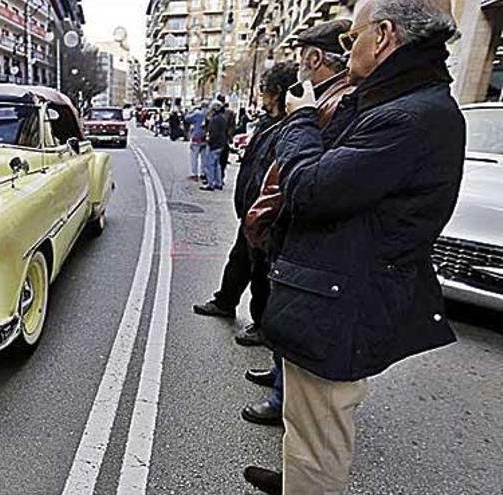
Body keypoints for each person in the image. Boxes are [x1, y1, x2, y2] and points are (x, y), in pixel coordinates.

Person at [244, 1, 463, 493]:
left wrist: (299, 122)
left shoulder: (409, 116)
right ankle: (296, 480)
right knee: (307, 426)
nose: (347, 52)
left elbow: (312, 189)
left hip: (340, 303)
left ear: (383, 35)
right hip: (329, 292)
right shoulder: (393, 101)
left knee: (320, 436)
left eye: (351, 39)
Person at [239, 20, 354, 432]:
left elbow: (306, 179)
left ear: (314, 58)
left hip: (300, 237)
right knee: (281, 314)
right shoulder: (319, 99)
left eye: (301, 55)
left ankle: (282, 400)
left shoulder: (331, 104)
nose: (297, 65)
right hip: (285, 233)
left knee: (292, 319)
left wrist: (301, 117)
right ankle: (278, 379)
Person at [192, 62, 297, 346]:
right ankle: (225, 301)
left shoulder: (289, 128)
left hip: (267, 217)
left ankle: (263, 325)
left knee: (262, 271)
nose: (261, 95)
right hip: (252, 212)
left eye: (264, 90)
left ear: (275, 93)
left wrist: (263, 213)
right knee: (239, 260)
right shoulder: (267, 124)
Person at [200, 100, 228, 191]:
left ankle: (210, 183)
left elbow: (214, 133)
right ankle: (218, 182)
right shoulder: (223, 118)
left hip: (214, 144)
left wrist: (209, 141)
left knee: (210, 164)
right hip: (221, 144)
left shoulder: (215, 119)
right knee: (217, 164)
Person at [183, 102, 209, 181]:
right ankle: (203, 173)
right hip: (205, 138)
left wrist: (192, 110)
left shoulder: (198, 114)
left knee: (194, 157)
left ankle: (194, 174)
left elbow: (187, 118)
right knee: (204, 157)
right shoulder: (209, 114)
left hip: (197, 137)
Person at [217, 94, 236, 182]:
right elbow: (232, 126)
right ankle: (219, 177)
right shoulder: (228, 112)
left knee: (220, 159)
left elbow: (232, 126)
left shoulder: (228, 112)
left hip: (222, 138)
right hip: (224, 138)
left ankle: (219, 177)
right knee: (221, 159)